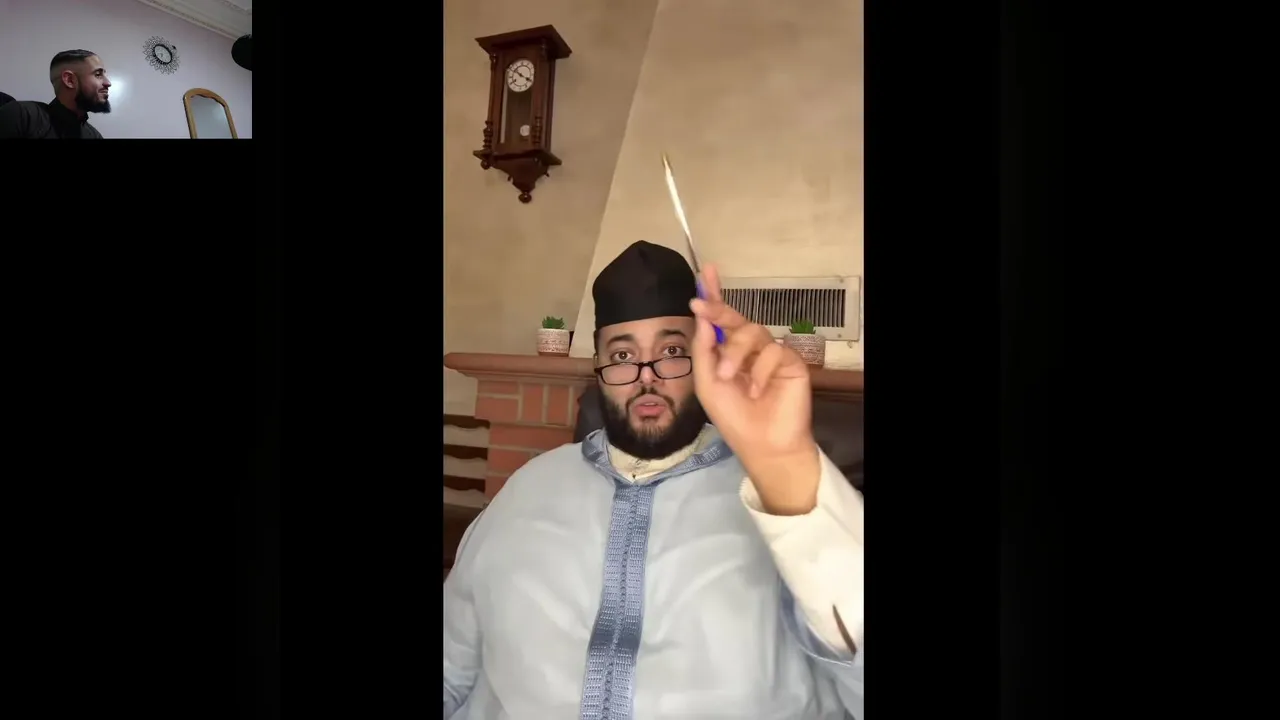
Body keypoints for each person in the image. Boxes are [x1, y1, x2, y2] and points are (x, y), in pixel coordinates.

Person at [444, 240, 865, 719]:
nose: (647, 378)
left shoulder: (790, 499)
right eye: (623, 355)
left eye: (672, 351)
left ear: (708, 358)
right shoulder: (525, 489)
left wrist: (786, 464)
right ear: (598, 369)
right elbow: (451, 666)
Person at [0, 50, 110, 139]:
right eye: (98, 74)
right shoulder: (22, 116)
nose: (108, 83)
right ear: (70, 80)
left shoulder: (95, 136)